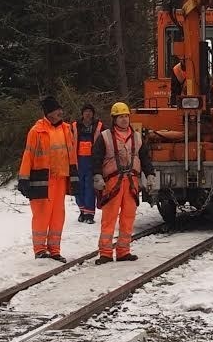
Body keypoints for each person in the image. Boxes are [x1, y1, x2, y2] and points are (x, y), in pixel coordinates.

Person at [92, 101, 156, 265]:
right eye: (121, 117)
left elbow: (145, 158)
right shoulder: (105, 136)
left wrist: (150, 175)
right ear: (114, 119)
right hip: (112, 183)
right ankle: (105, 253)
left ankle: (123, 251)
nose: (124, 119)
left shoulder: (136, 136)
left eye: (126, 116)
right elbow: (96, 158)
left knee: (128, 218)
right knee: (109, 219)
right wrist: (97, 176)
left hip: (131, 184)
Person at [18, 96, 79, 262]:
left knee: (58, 216)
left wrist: (75, 177)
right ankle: (40, 250)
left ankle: (54, 250)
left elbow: (72, 155)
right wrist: (23, 178)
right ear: (49, 113)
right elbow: (28, 155)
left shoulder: (67, 129)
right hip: (42, 180)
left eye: (60, 109)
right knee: (41, 215)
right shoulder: (36, 131)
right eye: (57, 110)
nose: (61, 112)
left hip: (61, 179)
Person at [72, 103, 103, 224]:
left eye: (90, 111)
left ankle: (89, 214)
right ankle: (82, 211)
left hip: (92, 162)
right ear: (82, 113)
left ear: (93, 114)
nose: (88, 113)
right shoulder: (74, 126)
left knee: (90, 189)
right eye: (86, 111)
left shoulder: (99, 126)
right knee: (78, 188)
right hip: (78, 162)